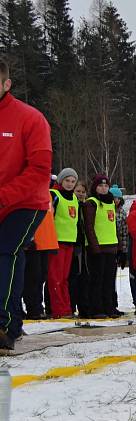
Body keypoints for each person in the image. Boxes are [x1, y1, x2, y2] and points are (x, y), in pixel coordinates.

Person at [0, 56, 52, 350]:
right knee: (10, 254)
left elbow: (39, 170)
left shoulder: (30, 118)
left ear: (7, 84)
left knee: (6, 249)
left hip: (26, 203)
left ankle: (4, 325)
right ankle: (15, 321)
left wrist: (4, 196)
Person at [83, 175, 121, 319]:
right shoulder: (91, 203)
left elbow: (112, 225)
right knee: (97, 280)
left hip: (111, 247)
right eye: (100, 186)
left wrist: (119, 247)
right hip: (98, 248)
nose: (103, 188)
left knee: (109, 280)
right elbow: (89, 226)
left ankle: (109, 307)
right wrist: (94, 246)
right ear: (95, 187)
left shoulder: (111, 202)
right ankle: (96, 308)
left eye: (106, 186)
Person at [47, 169, 81, 319]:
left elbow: (75, 221)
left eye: (73, 181)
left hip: (70, 242)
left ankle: (67, 308)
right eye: (67, 181)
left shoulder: (74, 197)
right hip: (56, 242)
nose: (70, 184)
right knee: (55, 278)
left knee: (65, 278)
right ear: (60, 181)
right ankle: (57, 310)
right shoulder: (54, 194)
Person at [22, 188, 58, 319]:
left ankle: (37, 306)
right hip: (33, 242)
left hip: (46, 241)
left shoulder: (47, 193)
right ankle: (33, 308)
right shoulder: (31, 191)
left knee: (42, 276)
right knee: (32, 277)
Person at [69, 181, 91, 317]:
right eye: (78, 191)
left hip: (85, 245)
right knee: (74, 276)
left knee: (85, 277)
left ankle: (84, 307)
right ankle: (71, 306)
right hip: (74, 244)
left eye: (83, 192)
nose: (81, 194)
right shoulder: (72, 204)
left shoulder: (85, 205)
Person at [110, 184, 127, 316]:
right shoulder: (106, 209)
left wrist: (123, 251)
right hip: (107, 245)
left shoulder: (122, 212)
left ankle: (114, 303)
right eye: (113, 197)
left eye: (118, 198)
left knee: (113, 277)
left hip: (118, 246)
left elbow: (123, 232)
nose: (116, 200)